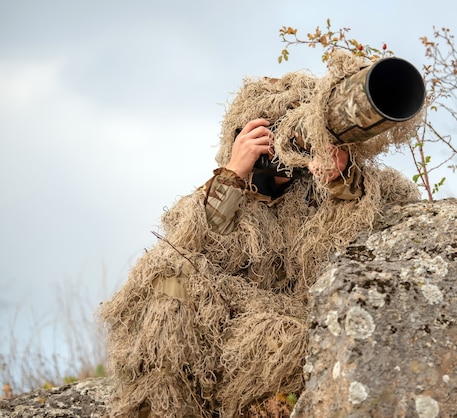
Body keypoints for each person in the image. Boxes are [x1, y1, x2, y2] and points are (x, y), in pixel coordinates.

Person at [99, 51, 420, 418]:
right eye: (265, 129)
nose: (278, 142)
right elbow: (193, 249)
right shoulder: (220, 196)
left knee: (284, 338)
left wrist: (341, 181)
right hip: (218, 343)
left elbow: (351, 248)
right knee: (169, 275)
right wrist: (234, 173)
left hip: (289, 343)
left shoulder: (335, 192)